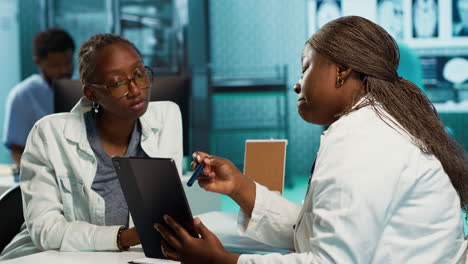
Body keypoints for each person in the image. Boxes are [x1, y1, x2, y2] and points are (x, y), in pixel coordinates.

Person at [155, 16, 468, 263]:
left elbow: (331, 260)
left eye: (305, 68)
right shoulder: (371, 126)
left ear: (341, 71)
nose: (296, 85)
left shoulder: (363, 141)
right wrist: (240, 187)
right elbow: (319, 230)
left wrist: (224, 262)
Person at [0, 34, 183, 260]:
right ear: (91, 93)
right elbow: (45, 231)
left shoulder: (167, 118)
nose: (135, 90)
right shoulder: (49, 134)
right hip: (46, 256)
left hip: (126, 258)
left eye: (139, 74)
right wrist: (126, 237)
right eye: (117, 84)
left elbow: (166, 212)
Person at [2, 28, 75, 168]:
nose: (64, 70)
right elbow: (17, 151)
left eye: (68, 62)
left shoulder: (83, 90)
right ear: (38, 62)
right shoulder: (22, 96)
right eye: (55, 65)